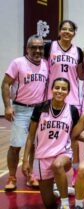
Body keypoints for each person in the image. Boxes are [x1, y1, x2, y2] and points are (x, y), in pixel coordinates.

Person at [21, 78, 80, 209]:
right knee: (49, 203)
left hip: (63, 155)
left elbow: (76, 136)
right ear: (52, 89)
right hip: (42, 157)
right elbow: (30, 137)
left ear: (68, 92)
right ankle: (59, 190)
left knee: (57, 166)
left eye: (63, 88)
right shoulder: (40, 107)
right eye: (57, 88)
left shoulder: (72, 110)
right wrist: (25, 160)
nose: (60, 91)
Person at [1, 34, 48, 191]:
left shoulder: (46, 65)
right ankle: (12, 177)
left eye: (40, 47)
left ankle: (31, 175)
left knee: (35, 145)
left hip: (39, 110)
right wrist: (7, 106)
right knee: (15, 146)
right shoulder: (18, 63)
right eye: (34, 47)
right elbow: (5, 84)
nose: (37, 50)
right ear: (27, 48)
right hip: (21, 109)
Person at [44, 20, 83, 111]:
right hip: (52, 94)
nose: (67, 32)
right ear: (59, 31)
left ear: (74, 33)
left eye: (70, 30)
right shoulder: (49, 46)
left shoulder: (78, 51)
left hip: (72, 95)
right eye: (64, 29)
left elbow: (81, 76)